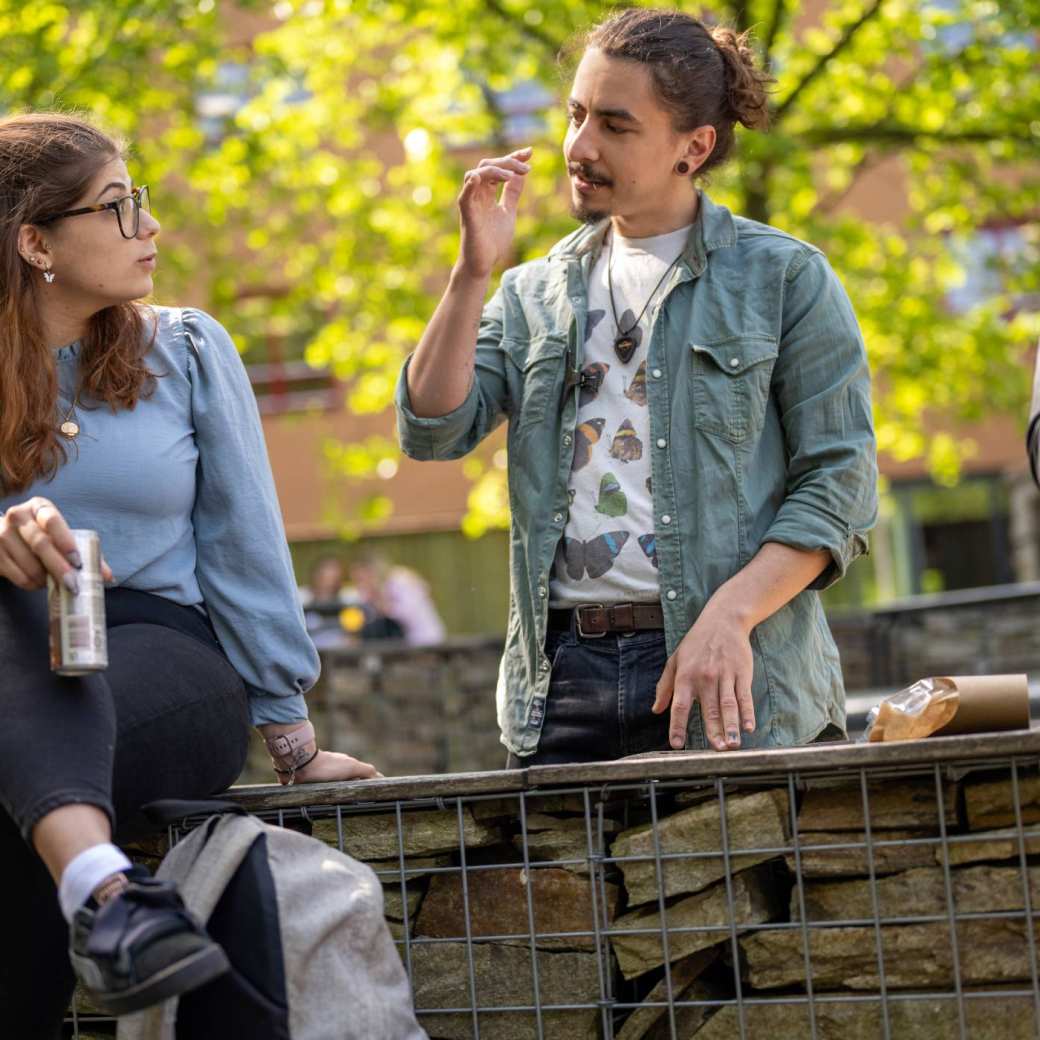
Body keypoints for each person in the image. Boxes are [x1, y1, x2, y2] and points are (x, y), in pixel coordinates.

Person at [395, 8, 878, 766]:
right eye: (576, 115)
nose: (579, 148)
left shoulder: (784, 279)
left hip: (733, 679)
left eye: (615, 126)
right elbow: (434, 426)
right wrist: (471, 274)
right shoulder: (531, 294)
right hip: (560, 685)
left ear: (695, 147)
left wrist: (729, 616)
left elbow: (840, 485)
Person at [0, 113, 379, 1035]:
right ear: (35, 240)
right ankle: (108, 894)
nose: (150, 228)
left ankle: (101, 890)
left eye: (144, 204)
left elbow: (245, 543)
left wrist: (288, 733)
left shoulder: (186, 350)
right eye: (119, 208)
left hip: (165, 659)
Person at [350, 551, 446, 645]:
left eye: (361, 579)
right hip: (404, 643)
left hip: (425, 640)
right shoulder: (379, 588)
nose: (360, 584)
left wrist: (383, 605)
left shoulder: (400, 580)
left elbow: (408, 614)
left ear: (371, 571)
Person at [299, 554, 354, 649]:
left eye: (334, 579)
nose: (328, 583)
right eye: (325, 577)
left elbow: (354, 636)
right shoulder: (301, 597)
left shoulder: (347, 599)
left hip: (339, 655)